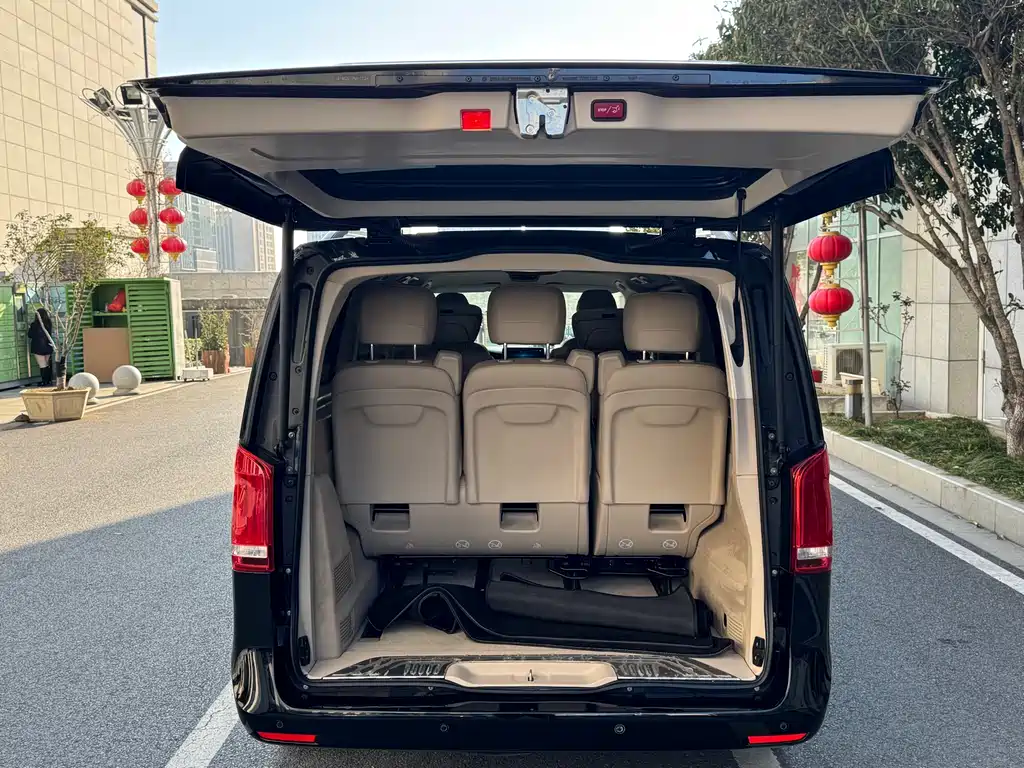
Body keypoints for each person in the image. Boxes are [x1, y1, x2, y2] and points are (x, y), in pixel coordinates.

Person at [28, 307, 55, 387]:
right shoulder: (49, 323)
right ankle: (48, 381)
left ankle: (44, 381)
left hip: (38, 347)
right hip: (48, 346)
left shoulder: (34, 324)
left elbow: (30, 335)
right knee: (46, 363)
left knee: (42, 364)